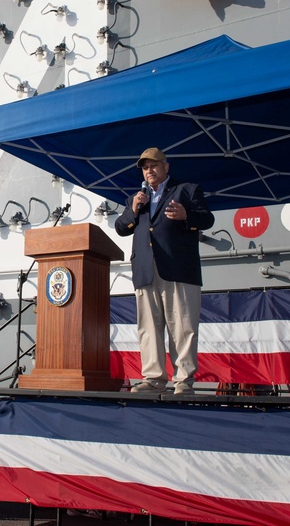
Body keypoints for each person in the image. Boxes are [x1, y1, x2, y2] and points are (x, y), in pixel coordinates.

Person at [115, 147, 214, 396]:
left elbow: (207, 219)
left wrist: (186, 215)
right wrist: (134, 209)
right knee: (148, 327)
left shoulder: (188, 190)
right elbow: (121, 227)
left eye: (155, 166)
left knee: (182, 326)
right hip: (146, 270)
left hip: (178, 268)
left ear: (166, 167)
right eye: (145, 168)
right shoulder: (136, 198)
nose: (150, 171)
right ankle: (154, 378)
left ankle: (183, 381)